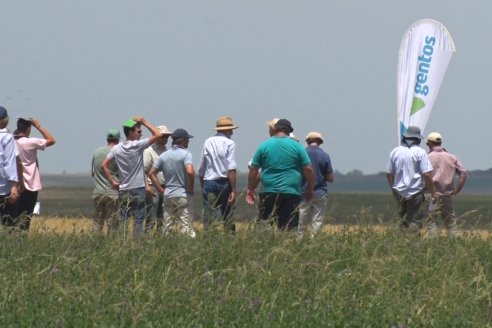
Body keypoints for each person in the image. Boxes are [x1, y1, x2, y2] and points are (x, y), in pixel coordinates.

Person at [246, 119, 314, 231]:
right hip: (291, 192)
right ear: (288, 131)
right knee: (289, 228)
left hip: (268, 191)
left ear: (275, 130)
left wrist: (250, 189)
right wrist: (310, 189)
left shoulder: (264, 146)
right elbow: (308, 169)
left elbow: (253, 169)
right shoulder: (297, 146)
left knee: (265, 226)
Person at [101, 116, 161, 236]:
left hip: (124, 189)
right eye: (138, 131)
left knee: (123, 218)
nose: (141, 133)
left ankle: (122, 242)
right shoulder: (138, 145)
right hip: (138, 188)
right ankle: (136, 243)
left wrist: (113, 182)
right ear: (130, 132)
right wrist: (144, 122)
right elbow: (158, 134)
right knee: (138, 219)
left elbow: (104, 165)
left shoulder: (117, 148)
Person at [148, 128, 196, 237]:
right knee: (186, 226)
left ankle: (166, 246)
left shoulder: (164, 155)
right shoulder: (186, 154)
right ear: (182, 140)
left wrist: (160, 189)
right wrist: (191, 187)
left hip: (168, 194)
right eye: (187, 139)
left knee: (167, 226)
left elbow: (151, 173)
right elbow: (189, 171)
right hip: (183, 194)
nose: (188, 141)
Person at [386, 126, 435, 232]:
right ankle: (411, 242)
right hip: (416, 191)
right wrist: (432, 192)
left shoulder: (395, 151)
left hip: (398, 191)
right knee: (414, 221)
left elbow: (389, 173)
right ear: (417, 139)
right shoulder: (420, 152)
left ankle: (400, 241)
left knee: (402, 219)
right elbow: (427, 174)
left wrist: (393, 188)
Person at [14, 117, 56, 230]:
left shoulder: (11, 141)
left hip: (14, 185)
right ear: (28, 129)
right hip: (30, 185)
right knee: (26, 217)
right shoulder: (30, 142)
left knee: (13, 217)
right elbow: (51, 140)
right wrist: (38, 126)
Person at [198, 116, 238, 233]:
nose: (232, 132)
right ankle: (230, 237)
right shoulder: (230, 143)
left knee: (209, 215)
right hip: (224, 183)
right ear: (226, 129)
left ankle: (208, 237)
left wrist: (202, 186)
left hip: (209, 181)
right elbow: (231, 168)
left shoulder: (208, 141)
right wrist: (233, 190)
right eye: (231, 129)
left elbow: (201, 167)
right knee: (228, 215)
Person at [426, 132, 468, 237]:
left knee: (431, 222)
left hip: (431, 194)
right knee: (451, 224)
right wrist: (457, 190)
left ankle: (432, 247)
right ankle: (454, 246)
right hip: (447, 194)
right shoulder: (452, 157)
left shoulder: (427, 157)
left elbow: (423, 175)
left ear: (430, 143)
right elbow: (463, 174)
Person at [298, 131, 335, 238]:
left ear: (308, 141)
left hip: (303, 192)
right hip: (320, 192)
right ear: (320, 142)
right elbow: (330, 178)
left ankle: (298, 242)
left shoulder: (302, 153)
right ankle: (314, 242)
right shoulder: (325, 155)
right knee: (317, 221)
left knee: (300, 221)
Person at [91, 128, 120, 234]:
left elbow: (93, 173)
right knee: (113, 223)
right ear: (118, 140)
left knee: (97, 222)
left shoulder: (96, 152)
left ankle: (95, 244)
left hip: (97, 192)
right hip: (113, 192)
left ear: (107, 139)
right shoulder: (118, 152)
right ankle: (110, 245)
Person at [143, 125, 172, 233]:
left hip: (165, 187)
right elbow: (144, 170)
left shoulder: (166, 151)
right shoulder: (149, 151)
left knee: (163, 216)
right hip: (153, 187)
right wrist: (147, 187)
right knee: (151, 215)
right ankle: (147, 236)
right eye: (163, 136)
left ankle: (160, 237)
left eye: (167, 136)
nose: (166, 139)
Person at [0, 106, 19, 226]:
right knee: (8, 226)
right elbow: (9, 162)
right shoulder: (7, 137)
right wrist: (14, 186)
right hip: (3, 188)